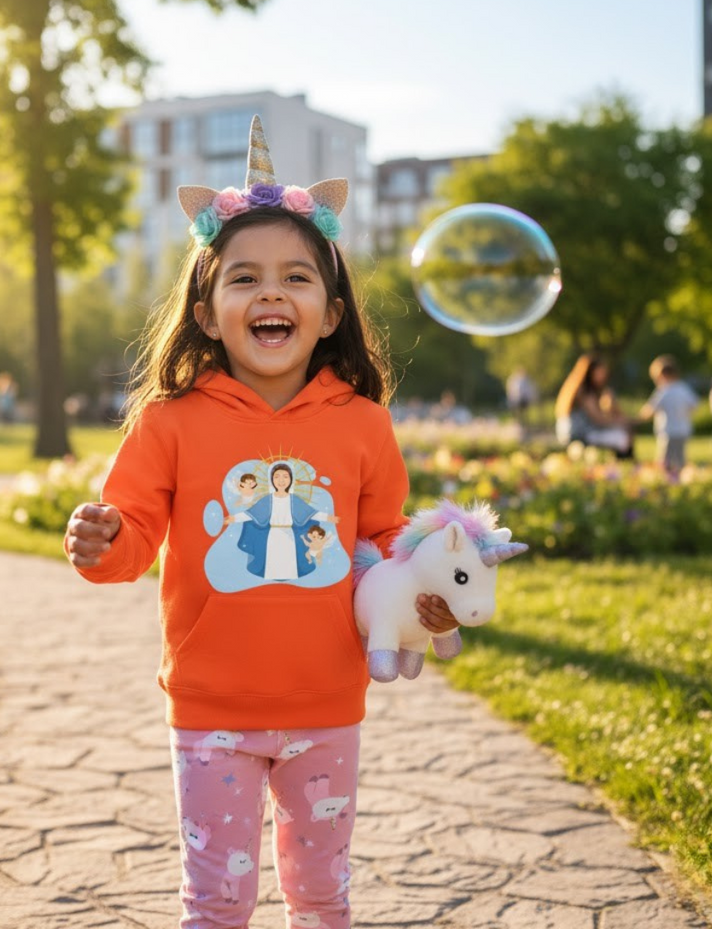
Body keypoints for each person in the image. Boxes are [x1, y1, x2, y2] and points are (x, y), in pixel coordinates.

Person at [64, 117, 458, 928]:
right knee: (215, 902)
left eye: (296, 280)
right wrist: (103, 544)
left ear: (330, 312)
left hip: (326, 704)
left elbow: (382, 538)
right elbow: (132, 535)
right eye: (244, 279)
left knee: (320, 896)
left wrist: (424, 581)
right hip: (212, 709)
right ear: (207, 313)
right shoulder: (169, 422)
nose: (271, 293)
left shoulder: (362, 424)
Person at [554, 353, 634, 458]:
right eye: (600, 372)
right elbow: (599, 420)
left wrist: (611, 407)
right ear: (590, 372)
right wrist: (623, 422)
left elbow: (603, 415)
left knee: (621, 432)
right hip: (578, 435)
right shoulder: (583, 392)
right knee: (622, 436)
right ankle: (624, 461)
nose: (604, 376)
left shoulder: (580, 388)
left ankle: (622, 461)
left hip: (580, 432)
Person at [638, 355, 699, 476]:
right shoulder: (683, 388)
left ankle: (667, 480)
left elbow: (650, 409)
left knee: (664, 461)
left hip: (668, 431)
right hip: (683, 430)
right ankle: (680, 478)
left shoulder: (663, 391)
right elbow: (694, 404)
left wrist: (639, 417)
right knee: (680, 459)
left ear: (662, 375)